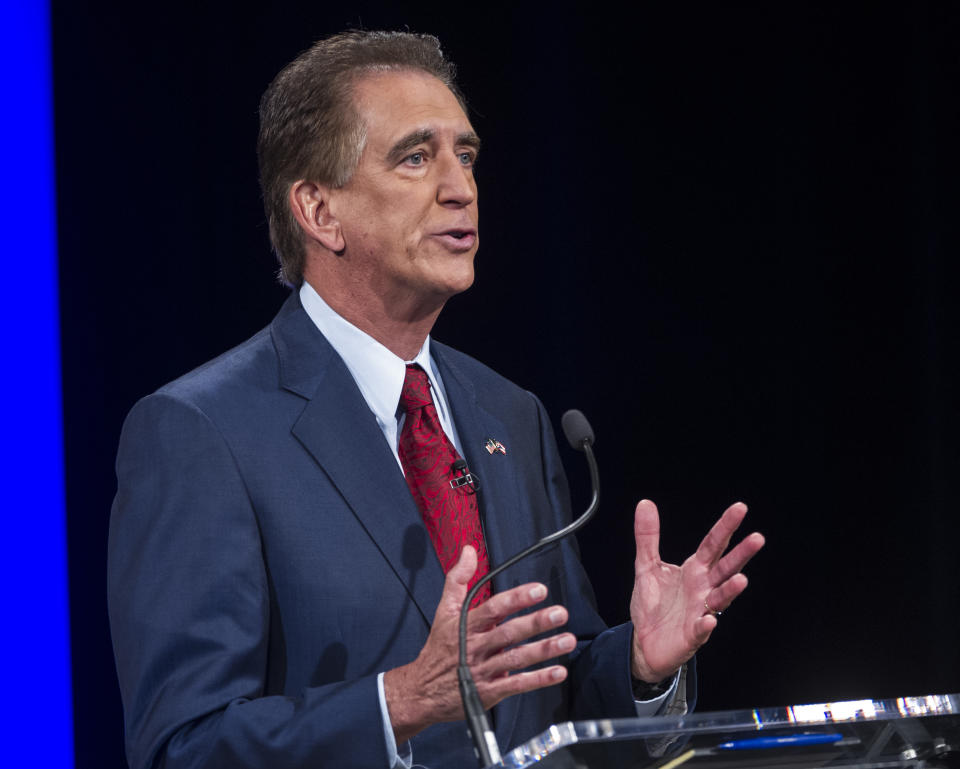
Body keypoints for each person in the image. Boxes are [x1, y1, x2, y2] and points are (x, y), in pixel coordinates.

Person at [108, 30, 764, 769]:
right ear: (319, 211)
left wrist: (641, 666)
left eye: (467, 155)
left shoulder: (509, 413)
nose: (460, 187)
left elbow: (552, 694)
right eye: (415, 157)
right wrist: (397, 705)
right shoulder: (203, 431)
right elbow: (181, 749)